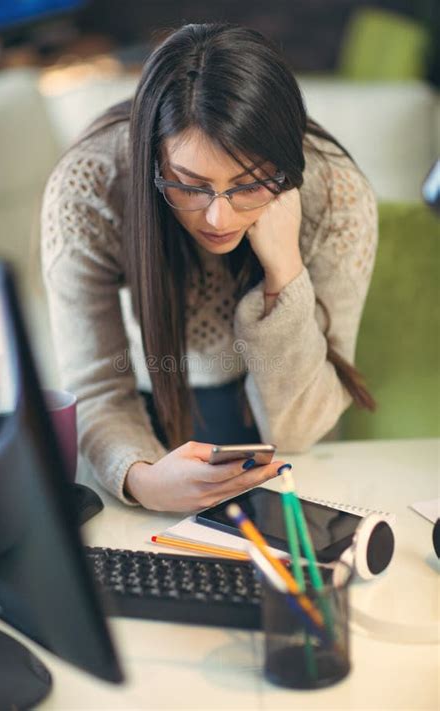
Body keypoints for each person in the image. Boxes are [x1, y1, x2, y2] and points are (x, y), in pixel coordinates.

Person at [41, 23, 377, 512]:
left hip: (279, 418)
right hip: (145, 398)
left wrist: (285, 276)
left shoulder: (337, 196)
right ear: (154, 159)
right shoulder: (90, 186)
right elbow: (96, 385)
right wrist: (142, 478)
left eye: (248, 184)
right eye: (190, 185)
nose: (219, 218)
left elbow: (302, 429)